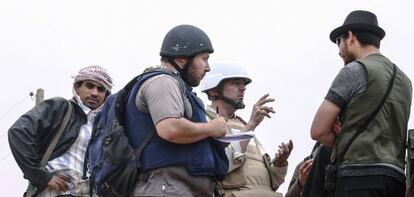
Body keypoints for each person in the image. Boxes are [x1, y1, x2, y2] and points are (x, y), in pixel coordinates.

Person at [310, 10, 412, 197]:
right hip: (395, 179)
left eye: (338, 41)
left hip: (358, 177)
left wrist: (342, 133)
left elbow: (317, 131)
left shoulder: (354, 70)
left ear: (350, 37)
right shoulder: (405, 81)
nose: (339, 50)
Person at [128, 24, 229, 196]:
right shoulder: (162, 81)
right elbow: (170, 128)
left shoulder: (178, 86)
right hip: (166, 187)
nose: (208, 67)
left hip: (179, 187)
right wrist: (211, 128)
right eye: (204, 58)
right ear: (182, 58)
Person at [8, 65, 113, 196]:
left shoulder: (105, 126)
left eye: (101, 89)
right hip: (55, 192)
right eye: (89, 86)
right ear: (77, 87)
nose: (95, 93)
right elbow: (18, 132)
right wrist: (42, 176)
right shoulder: (61, 107)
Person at [201, 59, 293, 197]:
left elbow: (273, 183)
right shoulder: (203, 121)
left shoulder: (243, 125)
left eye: (243, 84)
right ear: (214, 90)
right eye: (235, 83)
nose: (243, 88)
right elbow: (219, 166)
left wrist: (279, 164)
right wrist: (251, 126)